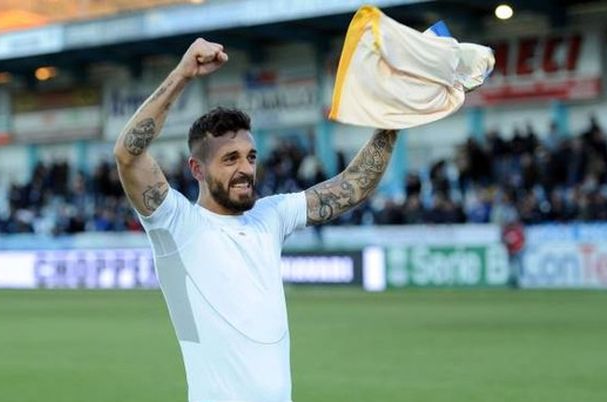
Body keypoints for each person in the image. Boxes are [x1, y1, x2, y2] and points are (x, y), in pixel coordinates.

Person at [113, 38, 398, 402]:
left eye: (250, 156)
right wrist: (183, 74)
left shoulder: (271, 215)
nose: (246, 169)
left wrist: (392, 120)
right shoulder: (177, 224)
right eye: (230, 159)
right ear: (197, 169)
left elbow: (353, 186)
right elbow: (128, 155)